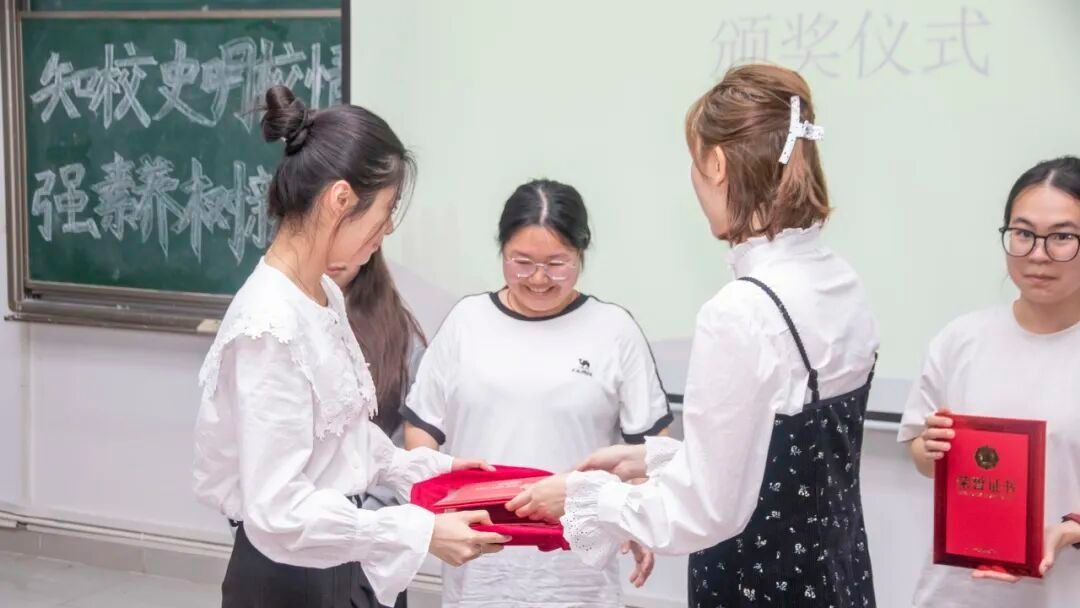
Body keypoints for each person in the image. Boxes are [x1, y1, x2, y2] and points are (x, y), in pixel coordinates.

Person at [507, 65, 880, 607]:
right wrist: (656, 461)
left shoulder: (742, 310)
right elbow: (781, 455)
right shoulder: (839, 280)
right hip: (835, 579)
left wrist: (585, 495)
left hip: (755, 587)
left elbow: (705, 509)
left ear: (717, 163)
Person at [192, 85, 508, 608]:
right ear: (340, 199)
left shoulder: (321, 294)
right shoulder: (268, 325)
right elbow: (278, 511)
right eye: (385, 211)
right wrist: (421, 531)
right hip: (288, 575)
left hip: (336, 550)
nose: (387, 229)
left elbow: (345, 443)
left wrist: (431, 472)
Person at [403, 179, 672, 607]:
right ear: (502, 251)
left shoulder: (614, 330)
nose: (540, 279)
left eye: (557, 264)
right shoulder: (466, 322)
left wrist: (639, 516)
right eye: (522, 262)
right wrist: (431, 517)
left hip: (578, 577)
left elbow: (651, 451)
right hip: (479, 569)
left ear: (581, 252)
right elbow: (421, 432)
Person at [899, 156, 1080, 607]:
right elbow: (923, 456)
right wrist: (932, 448)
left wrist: (1070, 530)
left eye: (1062, 237)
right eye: (1023, 233)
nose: (1038, 254)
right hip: (954, 594)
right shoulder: (961, 339)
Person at [332, 248, 427, 608]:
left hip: (372, 541)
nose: (335, 252)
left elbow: (410, 441)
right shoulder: (274, 321)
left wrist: (365, 523)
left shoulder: (397, 331)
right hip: (292, 536)